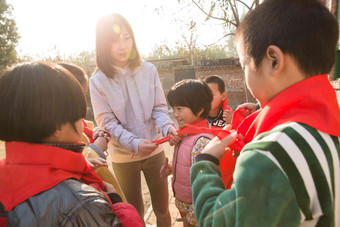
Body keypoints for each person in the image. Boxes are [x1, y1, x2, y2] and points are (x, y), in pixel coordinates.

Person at [190, 0, 340, 226]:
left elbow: (216, 221)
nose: (245, 74)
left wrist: (204, 162)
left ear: (273, 60)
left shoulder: (272, 152)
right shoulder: (327, 129)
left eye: (244, 65)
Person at [0, 62, 143, 226]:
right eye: (78, 117)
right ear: (58, 127)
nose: (82, 124)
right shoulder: (83, 203)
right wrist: (116, 203)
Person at [89, 13, 177, 226]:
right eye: (115, 40)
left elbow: (158, 107)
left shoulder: (148, 69)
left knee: (163, 210)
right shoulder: (98, 81)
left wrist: (167, 127)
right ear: (103, 44)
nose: (122, 45)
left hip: (155, 150)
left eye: (127, 38)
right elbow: (107, 122)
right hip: (123, 156)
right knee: (133, 213)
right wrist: (135, 143)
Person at [58, 62, 127, 202]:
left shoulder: (72, 121)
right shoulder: (62, 126)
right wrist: (97, 147)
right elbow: (75, 157)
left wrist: (94, 133)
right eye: (82, 93)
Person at [160, 79, 213, 227]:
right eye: (173, 109)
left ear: (200, 108)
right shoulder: (186, 134)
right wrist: (172, 168)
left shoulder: (202, 142)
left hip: (197, 214)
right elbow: (189, 166)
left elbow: (205, 187)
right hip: (187, 210)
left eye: (180, 109)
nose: (175, 115)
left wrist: (192, 218)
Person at [203, 75, 236, 189]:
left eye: (211, 95)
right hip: (204, 170)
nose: (206, 98)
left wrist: (234, 123)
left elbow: (239, 139)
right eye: (204, 94)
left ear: (223, 96)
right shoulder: (196, 116)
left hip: (225, 172)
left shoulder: (230, 116)